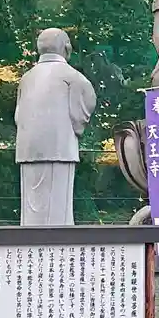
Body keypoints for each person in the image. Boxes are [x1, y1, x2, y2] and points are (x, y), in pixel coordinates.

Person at [15, 28, 97, 225]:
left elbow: (18, 115)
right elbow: (88, 102)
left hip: (27, 149)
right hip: (59, 147)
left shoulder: (27, 78)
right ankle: (57, 241)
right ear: (66, 48)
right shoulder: (71, 76)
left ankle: (29, 239)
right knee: (58, 209)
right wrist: (78, 124)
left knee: (31, 208)